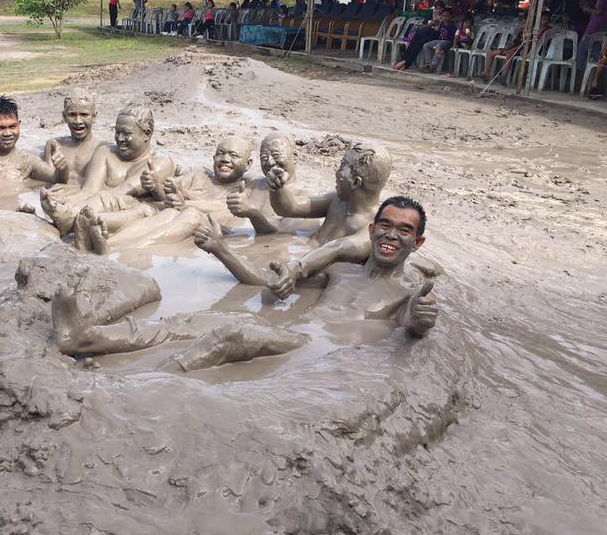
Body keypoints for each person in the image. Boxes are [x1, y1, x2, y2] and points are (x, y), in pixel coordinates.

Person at [52, 196, 438, 371]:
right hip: (289, 331)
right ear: (372, 230)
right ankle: (83, 340)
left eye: (405, 230)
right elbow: (265, 283)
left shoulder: (406, 293)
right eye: (385, 225)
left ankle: (136, 382)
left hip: (316, 351)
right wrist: (222, 249)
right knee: (188, 321)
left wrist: (420, 320)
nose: (392, 235)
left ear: (416, 242)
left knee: (231, 336)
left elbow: (413, 326)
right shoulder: (342, 271)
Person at [197, 144, 392, 293]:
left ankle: (219, 248)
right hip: (305, 253)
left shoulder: (373, 227)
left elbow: (335, 249)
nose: (336, 172)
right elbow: (290, 208)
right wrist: (277, 188)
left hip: (322, 271)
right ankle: (221, 247)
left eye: (342, 168)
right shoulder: (338, 200)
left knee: (268, 280)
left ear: (356, 183)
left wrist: (295, 269)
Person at [76, 137, 253, 254]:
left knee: (186, 214)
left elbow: (223, 207)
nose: (225, 159)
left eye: (233, 155)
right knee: (152, 210)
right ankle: (101, 232)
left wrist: (185, 202)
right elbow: (169, 192)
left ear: (248, 164)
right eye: (221, 154)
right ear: (213, 157)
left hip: (203, 226)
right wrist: (156, 186)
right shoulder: (199, 174)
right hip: (169, 214)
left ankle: (112, 246)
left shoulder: (247, 187)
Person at [40, 104, 175, 236]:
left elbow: (122, 191)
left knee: (116, 203)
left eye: (127, 134)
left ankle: (70, 218)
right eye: (117, 132)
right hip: (96, 207)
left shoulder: (160, 163)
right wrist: (66, 201)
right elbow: (89, 191)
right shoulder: (106, 152)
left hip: (128, 215)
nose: (120, 139)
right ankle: (69, 216)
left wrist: (71, 209)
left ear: (147, 134)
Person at [225, 132, 299, 235]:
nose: (269, 162)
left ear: (295, 156)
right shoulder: (250, 184)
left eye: (276, 155)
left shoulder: (306, 198)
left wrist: (253, 214)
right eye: (264, 158)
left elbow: (283, 239)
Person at [41, 88, 107, 192]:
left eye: (84, 115)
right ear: (64, 116)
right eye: (72, 115)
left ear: (94, 116)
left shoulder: (103, 149)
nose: (78, 121)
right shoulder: (54, 145)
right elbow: (49, 182)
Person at [479, 12, 551, 83]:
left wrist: (512, 49)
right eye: (523, 23)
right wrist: (507, 48)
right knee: (490, 53)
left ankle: (503, 76)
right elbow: (515, 42)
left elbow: (525, 45)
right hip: (512, 49)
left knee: (510, 54)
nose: (523, 25)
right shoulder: (521, 32)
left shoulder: (530, 34)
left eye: (526, 24)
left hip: (522, 51)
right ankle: (486, 73)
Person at [577, 0, 607, 93]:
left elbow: (598, 11)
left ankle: (583, 78)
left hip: (593, 28)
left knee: (581, 52)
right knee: (596, 56)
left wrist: (588, 9)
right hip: (602, 29)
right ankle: (592, 81)